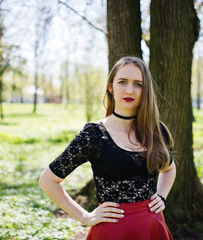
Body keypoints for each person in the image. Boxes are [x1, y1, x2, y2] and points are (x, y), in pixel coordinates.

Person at [39, 56, 176, 240]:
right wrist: (84, 216)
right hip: (112, 232)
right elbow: (47, 181)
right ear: (111, 86)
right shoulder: (94, 135)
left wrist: (162, 196)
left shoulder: (155, 131)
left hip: (152, 229)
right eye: (122, 82)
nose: (129, 90)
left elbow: (169, 168)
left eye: (138, 84)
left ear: (146, 90)